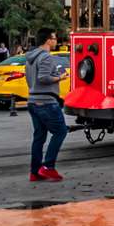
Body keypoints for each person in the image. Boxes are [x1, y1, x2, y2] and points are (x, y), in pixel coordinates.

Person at [25, 28, 69, 182]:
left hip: (32, 101)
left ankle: (35, 172)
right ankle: (48, 167)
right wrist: (60, 77)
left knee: (39, 137)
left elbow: (31, 80)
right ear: (48, 40)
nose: (56, 41)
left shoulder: (30, 58)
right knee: (61, 131)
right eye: (55, 38)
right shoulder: (46, 57)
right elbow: (43, 78)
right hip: (46, 102)